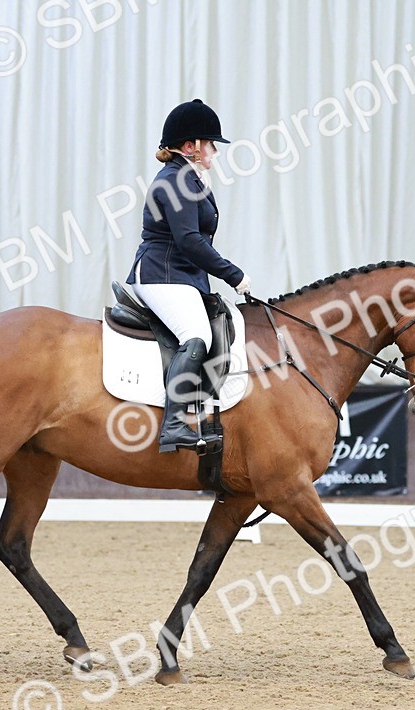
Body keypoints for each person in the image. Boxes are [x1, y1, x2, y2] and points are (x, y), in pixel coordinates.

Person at [126, 99, 252, 453]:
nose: (214, 150)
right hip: (161, 274)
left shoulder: (188, 178)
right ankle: (174, 424)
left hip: (180, 276)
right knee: (196, 335)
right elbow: (190, 240)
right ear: (190, 146)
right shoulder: (177, 180)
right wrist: (234, 274)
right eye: (210, 143)